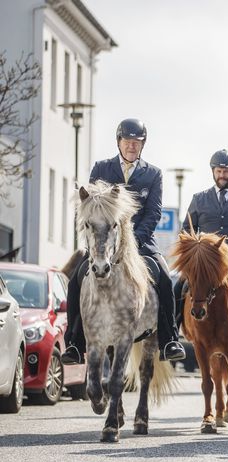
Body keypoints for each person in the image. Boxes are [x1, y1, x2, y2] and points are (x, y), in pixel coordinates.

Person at [61, 118, 185, 365]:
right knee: (76, 279)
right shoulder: (101, 169)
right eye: (128, 141)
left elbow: (154, 213)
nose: (132, 146)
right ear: (118, 142)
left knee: (163, 277)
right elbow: (88, 206)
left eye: (137, 142)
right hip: (103, 244)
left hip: (141, 245)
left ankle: (170, 338)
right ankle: (75, 342)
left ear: (142, 145)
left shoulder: (153, 174)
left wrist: (131, 243)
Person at [174, 149, 228, 329]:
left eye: (226, 171)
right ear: (213, 171)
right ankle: (172, 337)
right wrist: (198, 248)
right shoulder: (199, 199)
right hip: (205, 261)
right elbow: (186, 230)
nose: (222, 175)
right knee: (177, 288)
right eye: (218, 171)